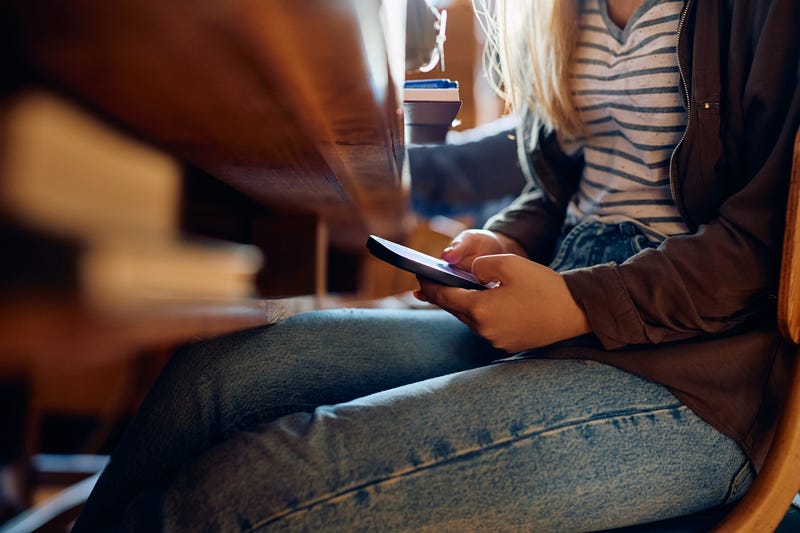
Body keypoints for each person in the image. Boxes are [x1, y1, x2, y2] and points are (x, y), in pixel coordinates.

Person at [73, 0, 800, 530]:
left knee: (236, 495)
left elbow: (762, 246)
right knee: (214, 377)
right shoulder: (560, 14)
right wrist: (508, 240)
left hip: (696, 378)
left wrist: (579, 303)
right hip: (566, 307)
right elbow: (558, 187)